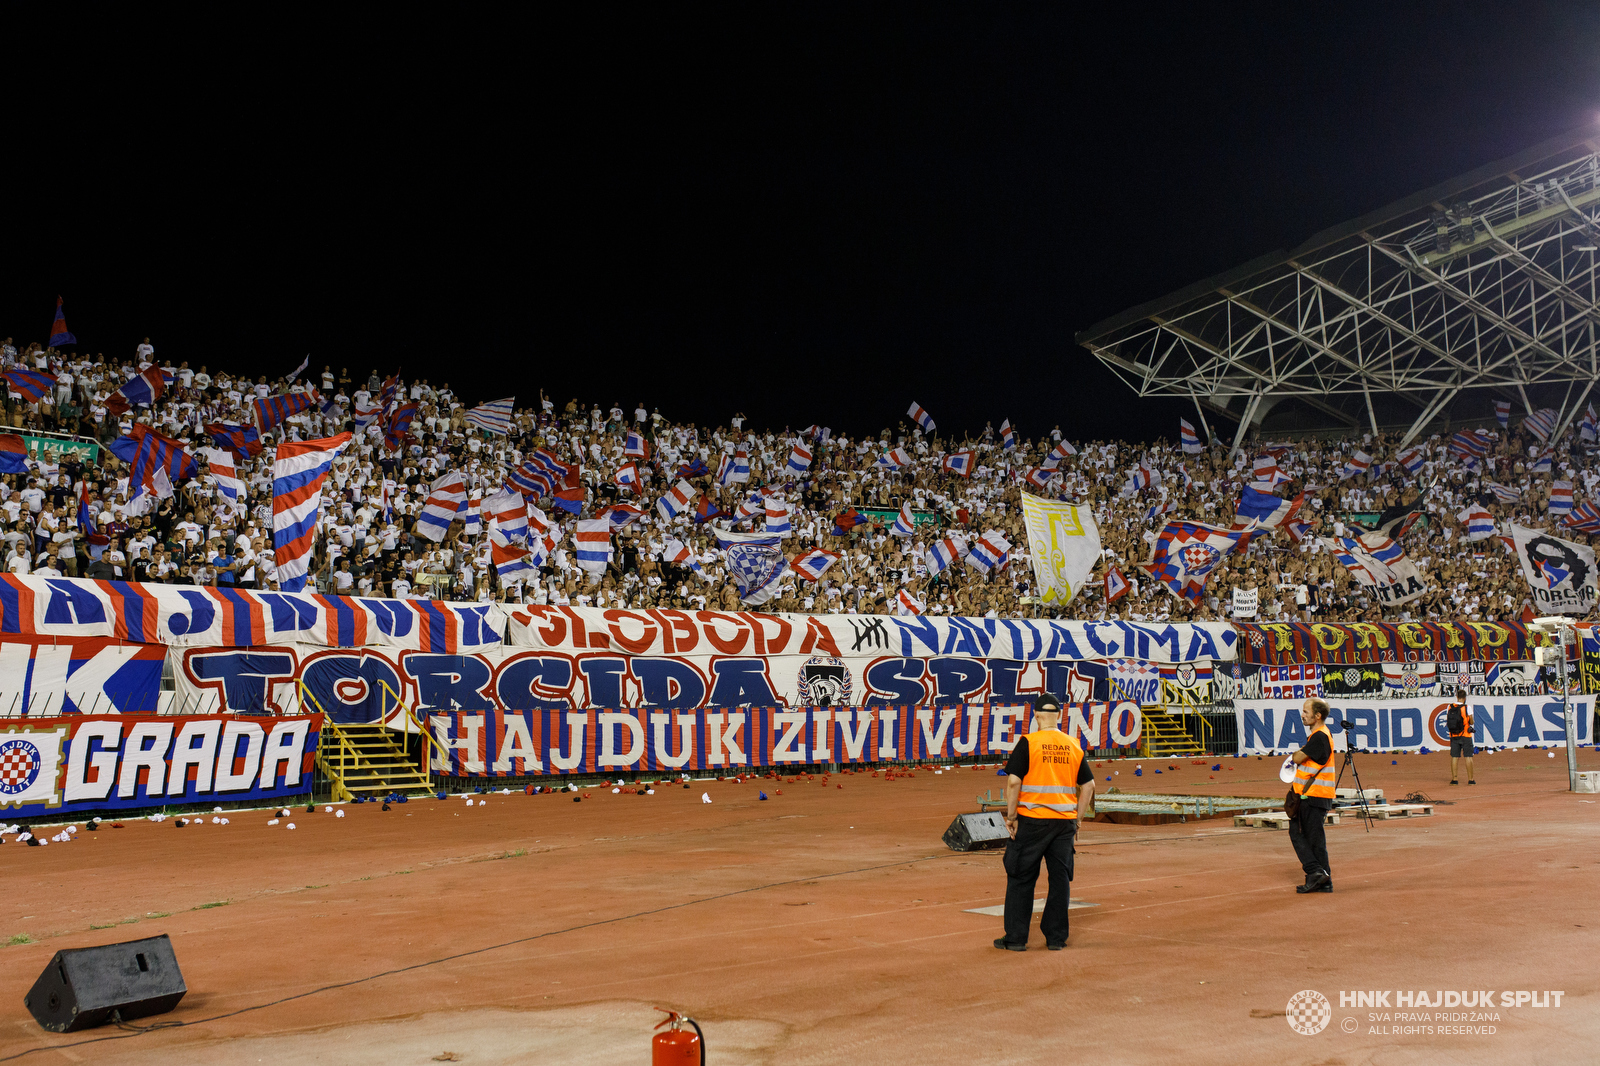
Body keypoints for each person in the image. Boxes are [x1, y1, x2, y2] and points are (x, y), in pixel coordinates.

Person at [996, 695, 1093, 951]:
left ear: (1036, 716)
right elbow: (1089, 786)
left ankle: (1016, 939)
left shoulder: (1029, 742)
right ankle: (1056, 938)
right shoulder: (1072, 744)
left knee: (1021, 876)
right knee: (1060, 880)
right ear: (1059, 716)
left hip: (1032, 821)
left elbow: (1014, 781)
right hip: (1064, 824)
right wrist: (1078, 819)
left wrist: (1011, 816)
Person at [1288, 697, 1336, 893]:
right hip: (1314, 795)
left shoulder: (1319, 737)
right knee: (1314, 839)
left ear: (1318, 716)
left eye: (1306, 712)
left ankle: (1316, 873)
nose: (1302, 715)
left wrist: (1296, 755)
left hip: (1314, 796)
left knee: (1299, 834)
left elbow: (1297, 758)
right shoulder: (1319, 736)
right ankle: (1322, 879)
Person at [1448, 690, 1475, 785]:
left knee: (1454, 756)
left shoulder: (1450, 707)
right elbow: (1471, 722)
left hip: (1454, 735)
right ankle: (1471, 779)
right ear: (1465, 698)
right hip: (1465, 735)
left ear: (1456, 696)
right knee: (1468, 756)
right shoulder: (1467, 707)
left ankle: (1454, 779)